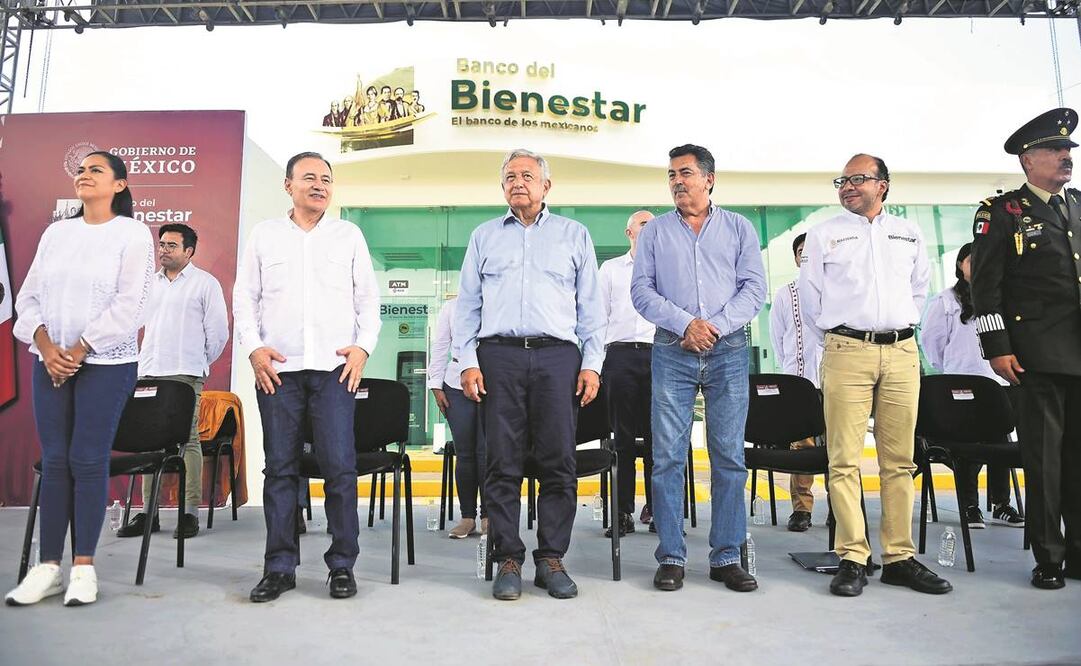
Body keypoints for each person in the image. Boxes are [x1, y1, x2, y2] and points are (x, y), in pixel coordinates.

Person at [6, 151, 154, 606]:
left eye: (96, 170)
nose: (84, 175)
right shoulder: (57, 233)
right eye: (81, 170)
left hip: (105, 364)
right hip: (50, 360)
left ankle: (83, 569)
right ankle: (48, 566)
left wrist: (80, 348)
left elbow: (132, 305)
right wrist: (48, 348)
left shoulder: (132, 234)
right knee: (54, 462)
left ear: (120, 185)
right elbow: (28, 297)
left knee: (88, 459)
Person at [457, 148, 605, 601]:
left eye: (527, 175)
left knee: (558, 460)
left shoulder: (573, 235)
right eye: (510, 176)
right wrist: (467, 360)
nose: (518, 182)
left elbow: (592, 308)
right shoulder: (484, 236)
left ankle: (551, 559)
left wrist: (591, 363)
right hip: (498, 356)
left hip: (557, 358)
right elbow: (467, 307)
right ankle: (508, 558)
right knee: (501, 461)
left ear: (546, 186)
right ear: (502, 187)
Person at [801, 153, 951, 597]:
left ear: (883, 184)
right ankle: (853, 556)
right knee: (843, 460)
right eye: (841, 181)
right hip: (846, 350)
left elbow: (919, 288)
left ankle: (900, 557)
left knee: (899, 461)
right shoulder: (825, 234)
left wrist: (899, 328)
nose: (847, 187)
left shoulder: (908, 232)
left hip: (903, 352)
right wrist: (839, 336)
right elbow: (812, 299)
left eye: (857, 179)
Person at [233, 151, 380, 602]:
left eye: (326, 179)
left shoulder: (348, 235)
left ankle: (341, 565)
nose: (319, 185)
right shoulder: (264, 235)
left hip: (335, 371)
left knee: (340, 468)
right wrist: (255, 350)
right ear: (288, 185)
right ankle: (279, 567)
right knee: (280, 469)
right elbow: (245, 298)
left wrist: (362, 348)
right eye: (309, 177)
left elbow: (368, 300)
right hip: (278, 372)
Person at [631, 144, 766, 593]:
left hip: (727, 351)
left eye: (685, 172)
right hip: (672, 350)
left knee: (728, 455)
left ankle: (727, 556)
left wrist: (714, 328)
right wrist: (686, 324)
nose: (676, 181)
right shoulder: (654, 233)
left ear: (709, 178)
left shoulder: (739, 229)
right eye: (671, 174)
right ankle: (671, 555)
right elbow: (642, 292)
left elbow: (753, 290)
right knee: (668, 456)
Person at [970, 108, 1081, 590]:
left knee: (1078, 460)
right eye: (1055, 150)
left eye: (1068, 150)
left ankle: (1078, 552)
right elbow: (985, 288)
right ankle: (1049, 557)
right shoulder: (1002, 212)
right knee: (1044, 461)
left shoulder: (1076, 205)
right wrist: (996, 345)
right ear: (1027, 159)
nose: (1065, 157)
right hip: (1035, 356)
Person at [117, 223, 229, 541]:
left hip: (184, 374)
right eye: (161, 244)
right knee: (149, 442)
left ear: (188, 251)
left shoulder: (205, 284)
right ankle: (148, 513)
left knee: (188, 441)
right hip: (149, 372)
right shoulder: (147, 285)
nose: (163, 250)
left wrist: (197, 362)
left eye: (171, 245)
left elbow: (218, 333)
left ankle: (189, 513)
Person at [919, 242, 1024, 530]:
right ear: (960, 266)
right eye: (970, 260)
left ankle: (1001, 504)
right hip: (961, 387)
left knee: (1001, 441)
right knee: (967, 446)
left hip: (999, 383)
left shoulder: (1004, 298)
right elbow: (932, 343)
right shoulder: (946, 301)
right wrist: (951, 372)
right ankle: (969, 505)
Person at [598, 210, 656, 537]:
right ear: (629, 232)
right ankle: (623, 513)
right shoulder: (610, 270)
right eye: (644, 224)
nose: (651, 229)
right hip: (619, 355)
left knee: (656, 441)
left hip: (658, 355)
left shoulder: (666, 267)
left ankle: (658, 510)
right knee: (621, 440)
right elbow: (598, 316)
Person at [768, 232, 822, 532]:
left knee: (839, 446)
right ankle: (802, 509)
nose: (806, 256)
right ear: (796, 258)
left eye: (811, 250)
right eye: (801, 251)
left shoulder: (835, 290)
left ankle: (840, 510)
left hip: (835, 381)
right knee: (802, 447)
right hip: (799, 383)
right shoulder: (785, 294)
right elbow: (777, 337)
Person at [427, 295, 487, 539]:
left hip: (492, 382)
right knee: (465, 452)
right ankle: (467, 517)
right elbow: (440, 345)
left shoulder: (498, 301)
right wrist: (435, 384)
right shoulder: (452, 307)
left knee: (488, 451)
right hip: (455, 382)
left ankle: (489, 516)